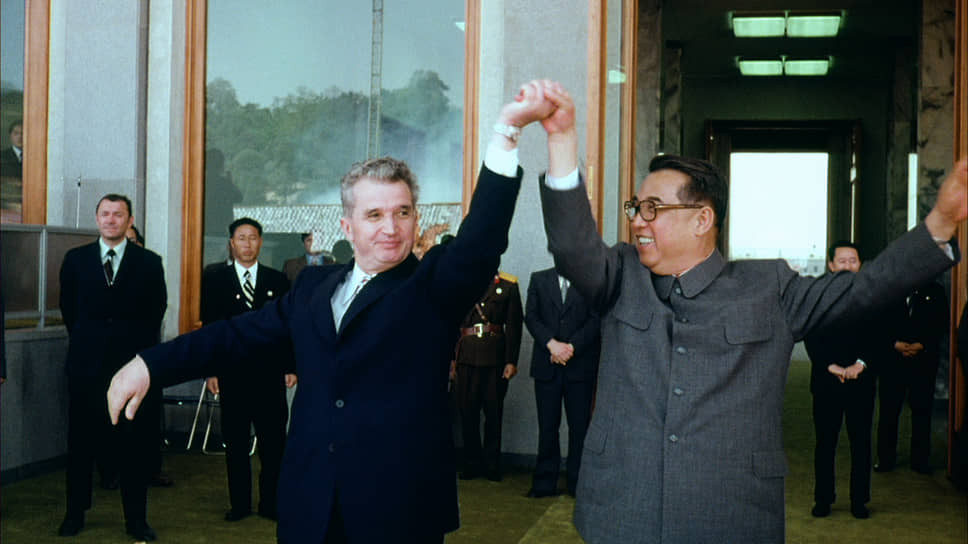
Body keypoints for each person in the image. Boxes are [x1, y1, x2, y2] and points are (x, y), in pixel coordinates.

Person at [107, 80, 558, 543]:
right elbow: (236, 337)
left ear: (415, 219)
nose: (391, 228)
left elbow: (480, 242)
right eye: (374, 215)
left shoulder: (431, 286)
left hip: (399, 511)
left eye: (402, 213)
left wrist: (507, 133)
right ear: (347, 225)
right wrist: (148, 365)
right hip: (311, 508)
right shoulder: (313, 287)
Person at [534, 80, 966, 542]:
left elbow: (866, 289)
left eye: (653, 208)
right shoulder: (620, 275)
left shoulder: (768, 287)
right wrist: (561, 140)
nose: (638, 220)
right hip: (626, 505)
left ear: (702, 219)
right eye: (635, 208)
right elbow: (572, 247)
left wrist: (941, 221)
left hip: (730, 509)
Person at [58, 194, 167, 541]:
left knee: (133, 446)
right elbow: (69, 311)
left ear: (129, 220)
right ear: (97, 218)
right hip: (86, 368)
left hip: (131, 369)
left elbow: (155, 312)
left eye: (118, 214)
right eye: (105, 213)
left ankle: (136, 520)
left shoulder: (149, 262)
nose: (111, 219)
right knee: (80, 445)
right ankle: (75, 513)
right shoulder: (75, 260)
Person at [201, 217, 296, 521]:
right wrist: (212, 370)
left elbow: (288, 327)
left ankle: (271, 504)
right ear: (232, 243)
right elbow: (211, 329)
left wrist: (290, 365)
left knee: (273, 445)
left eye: (252, 237)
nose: (247, 244)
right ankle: (239, 505)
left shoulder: (277, 280)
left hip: (269, 375)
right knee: (236, 445)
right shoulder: (215, 280)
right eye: (241, 238)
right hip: (233, 375)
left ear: (260, 242)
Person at [803, 242, 882, 519]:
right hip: (827, 381)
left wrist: (861, 364)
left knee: (861, 444)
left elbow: (880, 335)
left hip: (861, 380)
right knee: (826, 443)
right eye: (842, 261)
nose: (848, 265)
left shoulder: (873, 296)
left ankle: (859, 501)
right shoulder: (818, 297)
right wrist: (830, 365)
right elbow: (810, 333)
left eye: (853, 260)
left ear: (860, 264)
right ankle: (823, 499)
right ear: (831, 265)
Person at [524, 265, 600, 498]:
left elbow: (596, 320)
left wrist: (571, 348)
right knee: (547, 427)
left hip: (580, 367)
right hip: (546, 365)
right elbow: (531, 317)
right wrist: (552, 345)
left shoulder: (591, 280)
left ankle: (578, 484)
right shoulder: (539, 279)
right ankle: (544, 483)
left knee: (580, 428)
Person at [875, 277, 949, 474]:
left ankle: (920, 461)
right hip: (892, 360)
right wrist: (894, 343)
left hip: (923, 359)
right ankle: (885, 459)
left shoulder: (935, 291)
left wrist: (922, 344)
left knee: (922, 411)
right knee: (889, 411)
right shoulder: (888, 288)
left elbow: (942, 322)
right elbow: (876, 322)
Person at [453, 271, 523, 481]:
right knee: (468, 412)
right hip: (466, 357)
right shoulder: (461, 282)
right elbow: (451, 323)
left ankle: (492, 465)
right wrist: (451, 358)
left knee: (493, 413)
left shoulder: (508, 286)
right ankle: (471, 463)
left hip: (495, 358)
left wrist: (511, 361)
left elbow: (514, 325)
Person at [1, 120, 24, 223]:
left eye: (22, 133)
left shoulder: (34, 156)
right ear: (11, 136)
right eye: (16, 133)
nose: (20, 137)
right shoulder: (2, 156)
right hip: (8, 204)